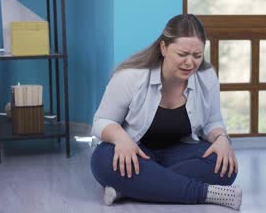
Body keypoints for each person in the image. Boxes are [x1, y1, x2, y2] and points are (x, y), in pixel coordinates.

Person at [90, 14, 242, 210]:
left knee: (224, 164)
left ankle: (129, 187)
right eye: (182, 54)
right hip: (136, 150)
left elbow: (213, 122)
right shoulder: (130, 77)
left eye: (197, 56)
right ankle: (206, 193)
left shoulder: (207, 77)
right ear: (163, 48)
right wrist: (120, 139)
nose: (190, 63)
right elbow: (102, 120)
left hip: (178, 151)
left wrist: (221, 138)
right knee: (103, 160)